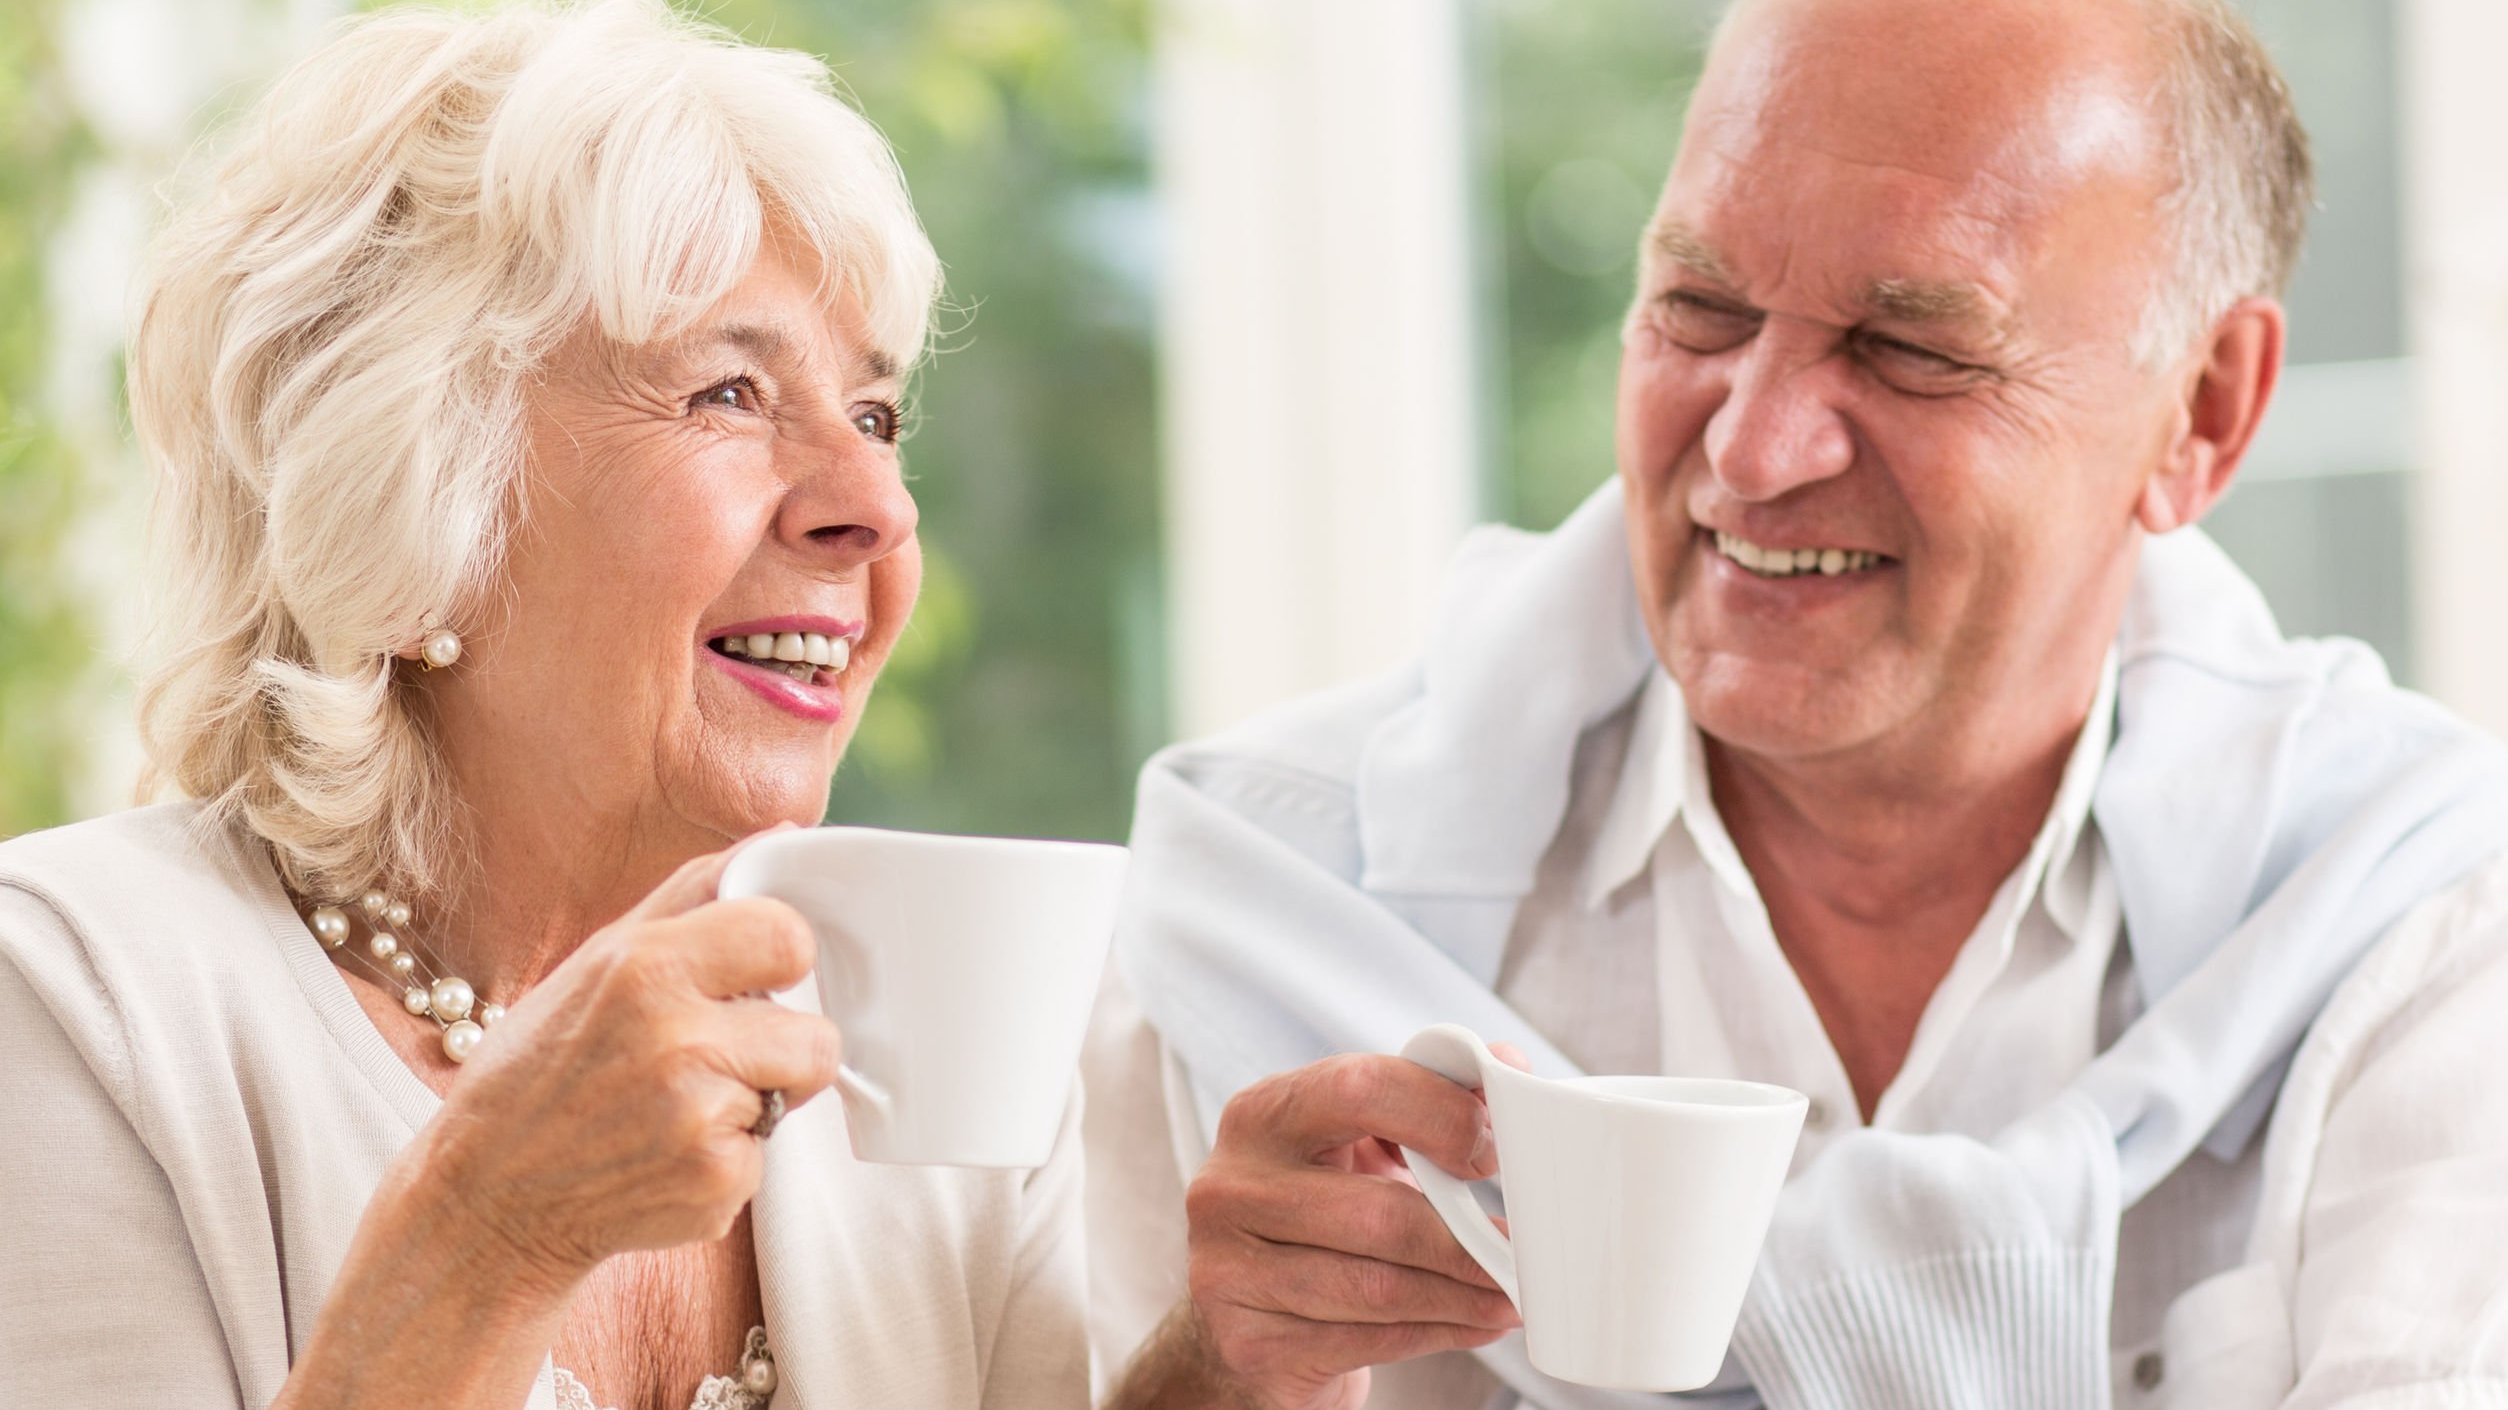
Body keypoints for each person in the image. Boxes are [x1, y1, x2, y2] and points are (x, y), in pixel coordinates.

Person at [1091, 0, 2508, 1407]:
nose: (1755, 452)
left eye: (1913, 348)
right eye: (1699, 310)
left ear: (2202, 409)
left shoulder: (2409, 908)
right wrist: (1214, 1377)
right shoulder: (1267, 900)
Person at [0, 4, 1087, 1407]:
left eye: (877, 417)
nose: (874, 508)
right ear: (402, 505)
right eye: (729, 391)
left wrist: (1242, 1371)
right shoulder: (73, 1006)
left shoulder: (928, 1016)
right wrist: (491, 1238)